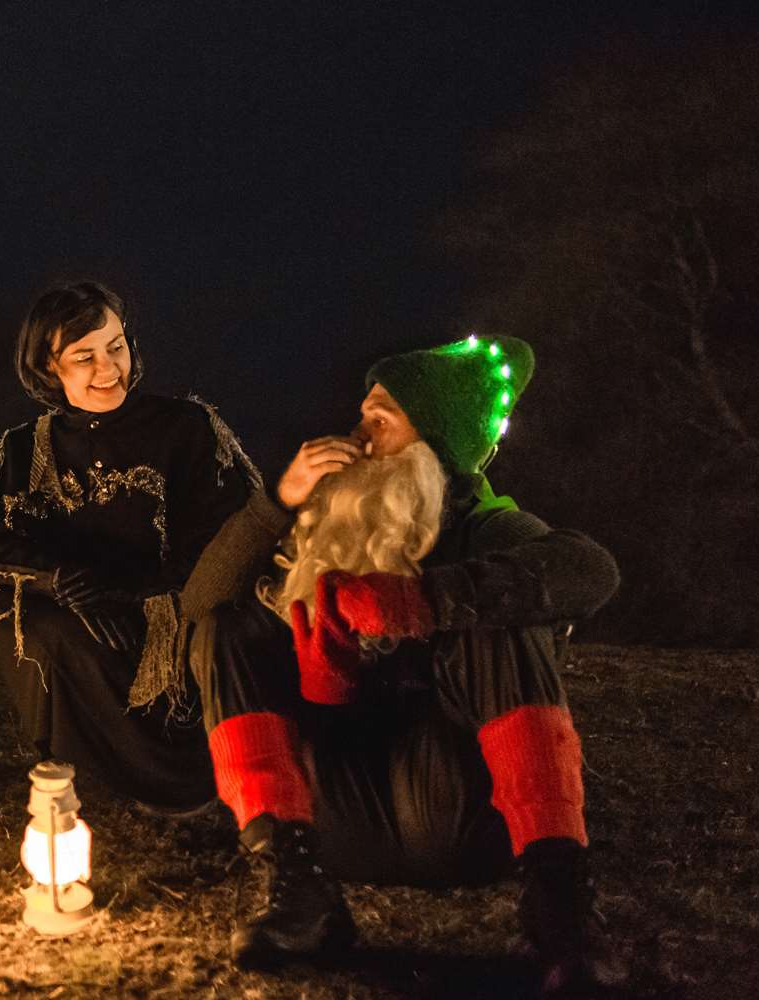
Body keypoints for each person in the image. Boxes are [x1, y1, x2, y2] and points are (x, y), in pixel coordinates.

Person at [179, 335, 622, 994]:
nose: (356, 434)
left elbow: (593, 569)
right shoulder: (323, 525)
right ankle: (301, 895)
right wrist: (280, 501)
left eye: (379, 416)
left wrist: (425, 601)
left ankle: (560, 911)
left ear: (431, 444)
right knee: (228, 628)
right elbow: (200, 604)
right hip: (338, 817)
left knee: (498, 618)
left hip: (461, 813)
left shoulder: (483, 527)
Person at [0, 281, 259, 808]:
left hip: (164, 609)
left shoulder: (185, 428)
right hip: (72, 614)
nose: (108, 369)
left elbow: (221, 536)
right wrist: (61, 581)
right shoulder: (27, 446)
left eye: (116, 346)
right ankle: (71, 769)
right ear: (49, 368)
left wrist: (126, 595)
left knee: (113, 637)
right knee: (22, 619)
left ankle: (167, 774)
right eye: (83, 357)